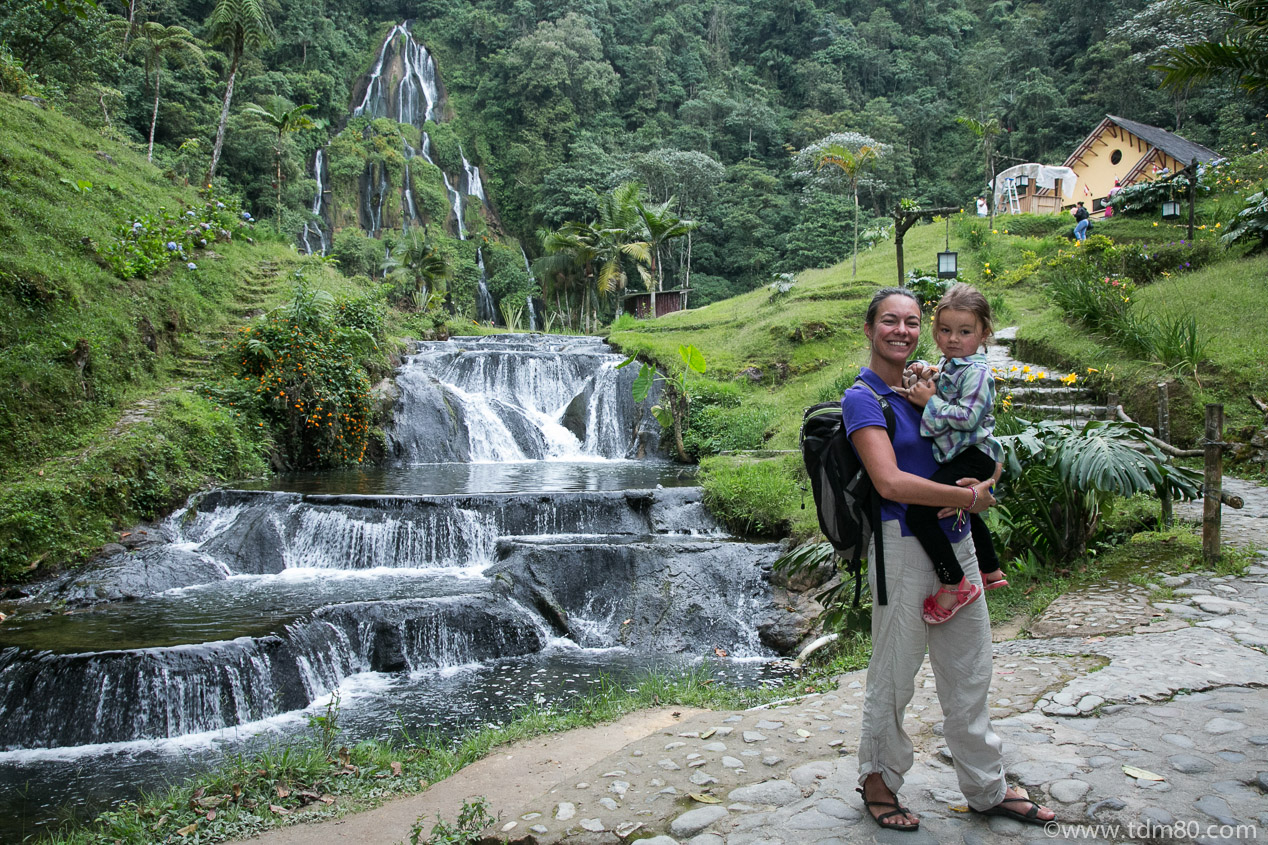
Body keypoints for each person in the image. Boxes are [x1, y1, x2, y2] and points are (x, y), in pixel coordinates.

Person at [842, 287, 1056, 832]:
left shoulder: (938, 383)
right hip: (901, 547)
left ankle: (986, 787)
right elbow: (889, 482)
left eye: (912, 322)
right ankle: (879, 781)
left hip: (955, 540)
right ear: (869, 329)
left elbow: (984, 450)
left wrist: (983, 484)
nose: (902, 331)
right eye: (890, 321)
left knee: (970, 671)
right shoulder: (863, 398)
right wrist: (967, 498)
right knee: (895, 673)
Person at [902, 284, 1006, 625]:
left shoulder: (976, 372)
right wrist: (926, 374)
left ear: (983, 333)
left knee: (920, 512)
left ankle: (953, 581)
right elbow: (944, 382)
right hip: (968, 455)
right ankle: (990, 569)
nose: (953, 339)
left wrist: (929, 402)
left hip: (974, 455)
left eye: (965, 331)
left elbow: (969, 417)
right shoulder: (955, 365)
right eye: (945, 330)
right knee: (960, 509)